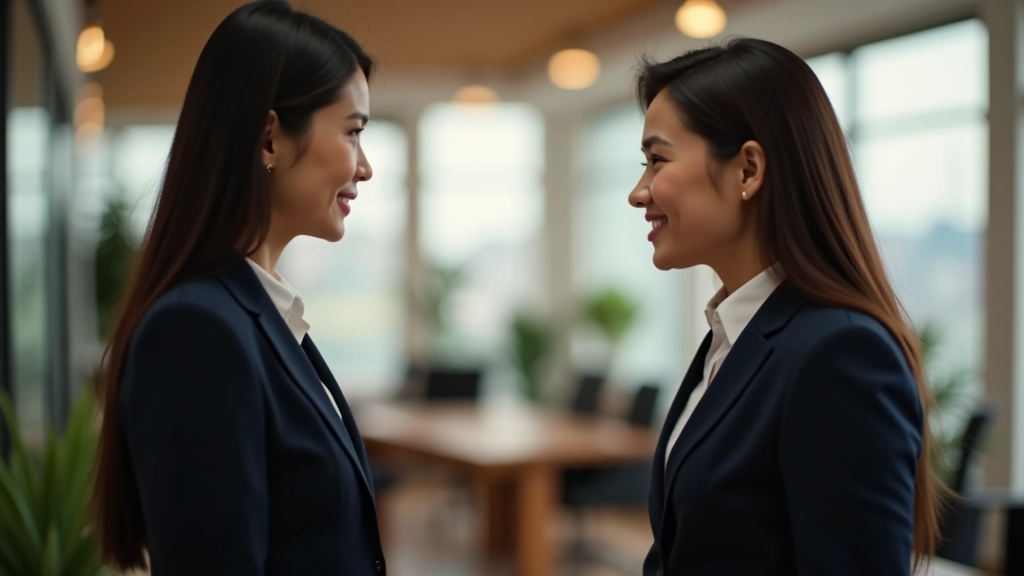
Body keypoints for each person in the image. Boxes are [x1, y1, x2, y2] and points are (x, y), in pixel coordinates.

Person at [92, 2, 385, 574]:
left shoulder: (261, 314)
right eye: (353, 132)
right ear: (269, 139)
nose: (366, 167)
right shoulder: (197, 331)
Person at [628, 38, 939, 575]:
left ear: (748, 170)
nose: (639, 191)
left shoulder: (840, 354)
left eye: (658, 161)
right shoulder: (733, 336)